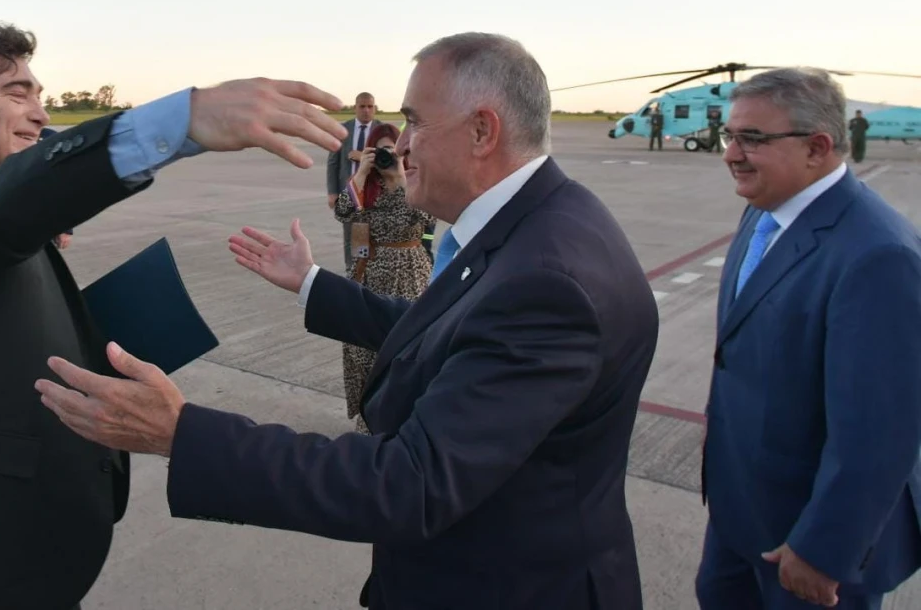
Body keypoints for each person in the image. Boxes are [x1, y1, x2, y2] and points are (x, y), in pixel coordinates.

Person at [36, 32, 659, 609]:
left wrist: (183, 433)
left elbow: (410, 484)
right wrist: (311, 284)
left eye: (414, 121)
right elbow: (448, 333)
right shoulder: (539, 221)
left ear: (481, 131)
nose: (401, 144)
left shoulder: (546, 281)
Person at [0, 13, 345, 610]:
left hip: (20, 547)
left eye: (39, 93)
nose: (42, 112)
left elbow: (1, 238)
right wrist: (181, 121)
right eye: (17, 92)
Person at [697, 67, 921, 610]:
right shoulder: (765, 209)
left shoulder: (877, 256)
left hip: (805, 542)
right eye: (730, 136)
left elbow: (879, 433)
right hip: (742, 512)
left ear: (818, 148)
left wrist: (825, 550)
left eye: (752, 139)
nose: (730, 153)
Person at [333, 122, 435, 433]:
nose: (386, 157)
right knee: (364, 350)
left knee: (409, 347)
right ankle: (369, 419)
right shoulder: (365, 187)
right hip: (369, 273)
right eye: (381, 152)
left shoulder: (417, 180)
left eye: (392, 151)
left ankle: (407, 419)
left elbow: (426, 216)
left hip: (409, 273)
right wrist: (361, 173)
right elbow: (342, 212)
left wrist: (402, 176)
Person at [327, 92, 381, 269]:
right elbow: (333, 163)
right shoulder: (344, 130)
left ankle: (369, 273)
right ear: (355, 107)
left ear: (374, 108)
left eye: (370, 106)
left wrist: (362, 157)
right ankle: (353, 273)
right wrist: (333, 191)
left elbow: (393, 161)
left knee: (372, 235)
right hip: (350, 192)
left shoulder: (382, 130)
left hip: (374, 193)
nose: (366, 110)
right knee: (352, 235)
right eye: (362, 106)